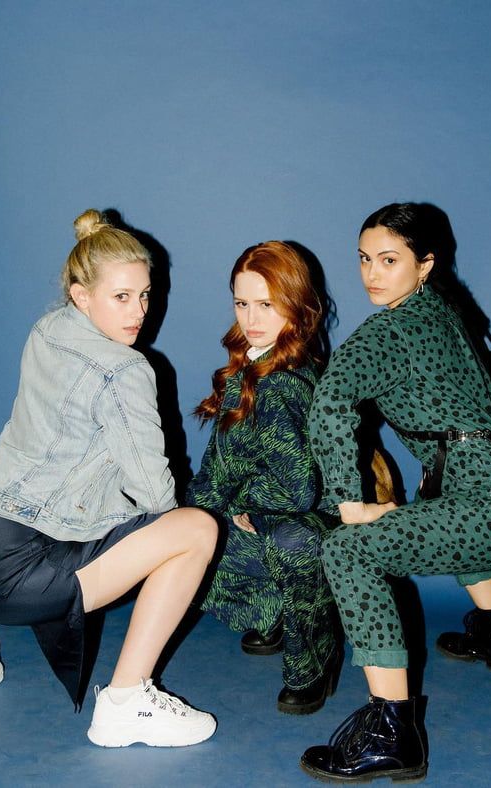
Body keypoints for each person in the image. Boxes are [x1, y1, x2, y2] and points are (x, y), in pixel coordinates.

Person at [0, 210, 218, 749]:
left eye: (145, 295)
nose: (140, 312)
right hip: (10, 579)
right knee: (196, 529)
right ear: (82, 296)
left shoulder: (49, 328)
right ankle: (126, 702)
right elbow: (155, 497)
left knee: (45, 495)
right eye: (121, 297)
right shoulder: (125, 369)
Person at [300, 203, 491, 781]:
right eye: (364, 259)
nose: (372, 274)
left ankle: (393, 733)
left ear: (424, 264)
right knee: (442, 513)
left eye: (389, 260)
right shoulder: (444, 307)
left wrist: (349, 505)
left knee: (347, 550)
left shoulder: (388, 331)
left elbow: (329, 407)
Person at [186, 241, 342, 714]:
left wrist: (240, 503)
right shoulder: (259, 363)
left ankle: (313, 659)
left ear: (296, 304)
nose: (251, 318)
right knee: (178, 530)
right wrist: (194, 508)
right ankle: (271, 611)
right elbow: (222, 461)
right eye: (242, 303)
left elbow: (299, 487)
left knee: (286, 542)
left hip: (308, 519)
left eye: (267, 305)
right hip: (275, 510)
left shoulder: (280, 382)